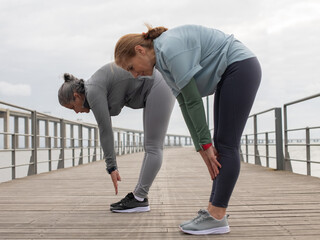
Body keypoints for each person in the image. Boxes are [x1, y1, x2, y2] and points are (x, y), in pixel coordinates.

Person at [114, 24, 261, 235]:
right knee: (221, 145)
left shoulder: (169, 48)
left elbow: (193, 101)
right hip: (231, 71)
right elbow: (183, 102)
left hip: (240, 66)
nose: (135, 75)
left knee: (227, 145)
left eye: (130, 67)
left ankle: (217, 216)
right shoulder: (163, 63)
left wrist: (206, 143)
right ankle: (214, 213)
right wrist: (201, 146)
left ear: (139, 50)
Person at [58, 62, 175, 213]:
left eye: (73, 107)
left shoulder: (93, 90)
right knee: (151, 147)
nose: (76, 112)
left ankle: (139, 199)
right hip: (156, 86)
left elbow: (105, 130)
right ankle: (139, 197)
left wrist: (111, 167)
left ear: (76, 96)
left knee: (153, 147)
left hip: (158, 85)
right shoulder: (93, 87)